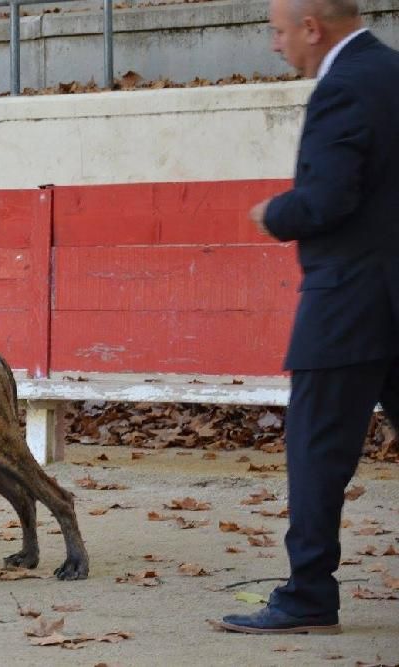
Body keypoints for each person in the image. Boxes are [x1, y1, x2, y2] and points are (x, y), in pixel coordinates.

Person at [217, 0, 399, 634]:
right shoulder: (393, 72)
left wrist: (276, 212)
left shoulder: (341, 87)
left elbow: (328, 199)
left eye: (279, 31)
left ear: (312, 29)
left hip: (349, 300)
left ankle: (308, 597)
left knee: (317, 449)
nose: (276, 45)